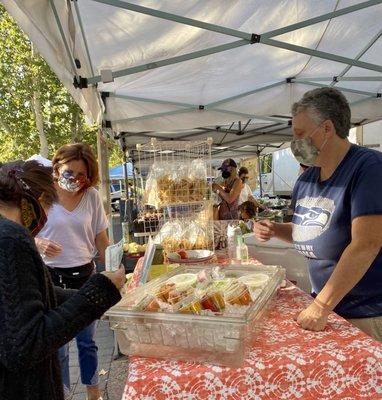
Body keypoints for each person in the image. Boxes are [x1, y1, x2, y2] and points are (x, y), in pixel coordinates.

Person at [253, 87, 382, 342]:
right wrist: (276, 230)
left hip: (365, 315)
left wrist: (321, 306)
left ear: (327, 128)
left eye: (300, 134)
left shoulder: (369, 169)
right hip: (326, 309)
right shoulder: (307, 179)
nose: (295, 143)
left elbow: (366, 244)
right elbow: (311, 231)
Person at [0, 160, 125, 400]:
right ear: (35, 202)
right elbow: (24, 346)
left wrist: (103, 296)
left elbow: (38, 296)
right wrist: (101, 290)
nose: (46, 218)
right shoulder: (11, 238)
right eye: (49, 208)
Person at [35, 143, 110, 400]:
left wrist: (110, 269)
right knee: (59, 346)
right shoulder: (42, 195)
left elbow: (101, 237)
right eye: (69, 173)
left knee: (87, 342)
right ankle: (62, 394)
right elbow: (23, 232)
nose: (75, 180)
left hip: (85, 276)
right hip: (50, 278)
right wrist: (38, 242)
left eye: (82, 175)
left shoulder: (91, 197)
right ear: (57, 168)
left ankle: (93, 393)